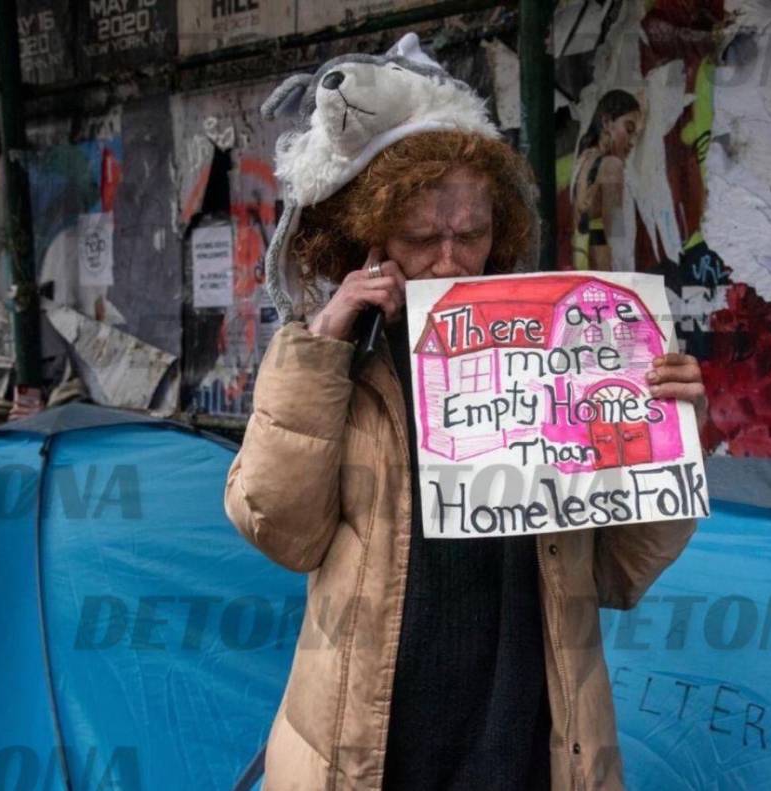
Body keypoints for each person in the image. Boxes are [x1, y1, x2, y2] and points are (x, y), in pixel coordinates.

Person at [225, 36, 705, 791]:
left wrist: (670, 436)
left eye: (471, 234)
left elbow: (620, 571)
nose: (449, 259)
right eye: (421, 237)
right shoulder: (339, 364)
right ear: (373, 234)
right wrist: (321, 344)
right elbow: (280, 529)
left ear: (499, 229)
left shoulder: (561, 358)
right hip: (372, 758)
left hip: (532, 759)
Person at [571, 91, 643, 272]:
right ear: (606, 123)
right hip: (609, 272)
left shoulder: (583, 160)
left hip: (586, 270)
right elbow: (617, 234)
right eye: (629, 129)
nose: (633, 141)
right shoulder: (612, 166)